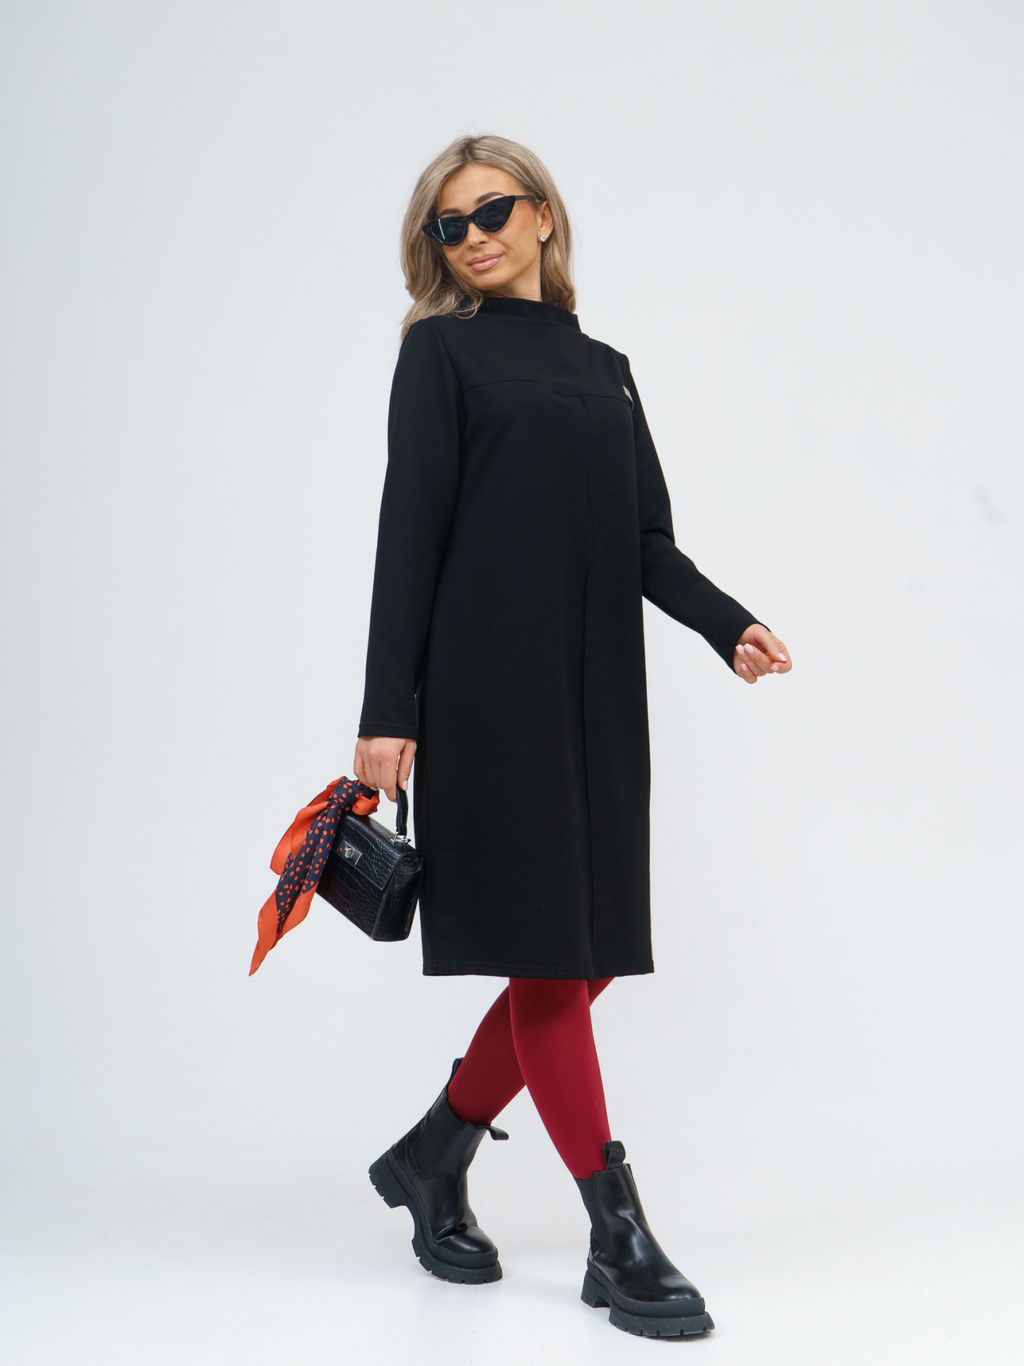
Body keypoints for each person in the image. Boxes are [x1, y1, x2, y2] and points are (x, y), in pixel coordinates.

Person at [352, 134, 792, 1339]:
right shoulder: (439, 353)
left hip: (596, 693)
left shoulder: (606, 369)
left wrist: (726, 621)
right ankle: (618, 1235)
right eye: (447, 226)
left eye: (491, 210)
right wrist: (389, 708)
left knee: (581, 957)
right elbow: (409, 530)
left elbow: (644, 539)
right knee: (552, 961)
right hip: (486, 695)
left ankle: (435, 1153)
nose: (472, 236)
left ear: (543, 214)